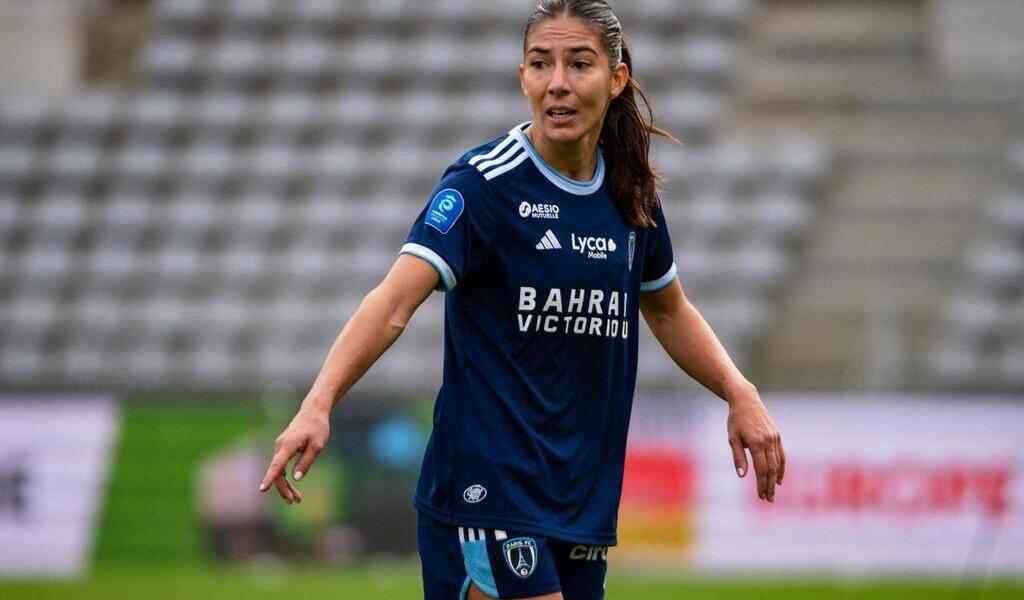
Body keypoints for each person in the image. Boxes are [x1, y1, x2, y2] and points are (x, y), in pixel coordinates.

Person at [259, 1, 785, 598]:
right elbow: (391, 303)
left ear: (616, 80)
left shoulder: (630, 194)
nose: (557, 83)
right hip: (487, 489)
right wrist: (318, 402)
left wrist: (739, 392)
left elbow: (667, 308)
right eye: (541, 64)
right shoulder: (484, 185)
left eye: (579, 64)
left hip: (580, 496)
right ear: (522, 77)